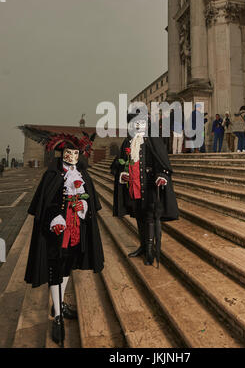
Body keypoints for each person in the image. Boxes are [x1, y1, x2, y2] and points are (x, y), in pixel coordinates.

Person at [22, 129, 104, 346]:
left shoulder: (83, 175)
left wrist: (83, 206)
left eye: (76, 154)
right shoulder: (51, 175)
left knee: (67, 266)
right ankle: (58, 316)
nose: (73, 157)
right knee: (55, 268)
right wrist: (55, 217)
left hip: (76, 229)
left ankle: (58, 304)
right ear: (62, 153)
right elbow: (44, 205)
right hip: (56, 232)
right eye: (69, 153)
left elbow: (91, 203)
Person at [111, 111, 179, 267]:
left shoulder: (153, 140)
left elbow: (162, 161)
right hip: (134, 186)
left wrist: (162, 175)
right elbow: (119, 163)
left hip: (149, 186)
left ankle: (150, 251)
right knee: (140, 215)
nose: (138, 125)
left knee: (149, 216)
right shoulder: (127, 142)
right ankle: (143, 246)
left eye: (141, 123)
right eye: (135, 123)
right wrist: (122, 173)